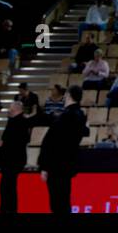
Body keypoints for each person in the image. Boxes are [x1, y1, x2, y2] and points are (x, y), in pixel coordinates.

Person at [39, 85, 89, 213]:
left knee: (57, 202)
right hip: (68, 164)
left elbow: (51, 142)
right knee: (64, 200)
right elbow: (85, 131)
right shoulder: (80, 116)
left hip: (57, 165)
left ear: (69, 96)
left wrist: (44, 165)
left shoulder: (66, 117)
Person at [0, 99, 33, 214]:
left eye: (10, 108)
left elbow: (20, 141)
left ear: (17, 108)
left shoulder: (22, 121)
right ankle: (5, 208)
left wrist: (3, 144)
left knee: (8, 187)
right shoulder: (12, 121)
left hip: (13, 160)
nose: (8, 110)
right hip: (8, 160)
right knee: (5, 187)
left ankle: (9, 209)